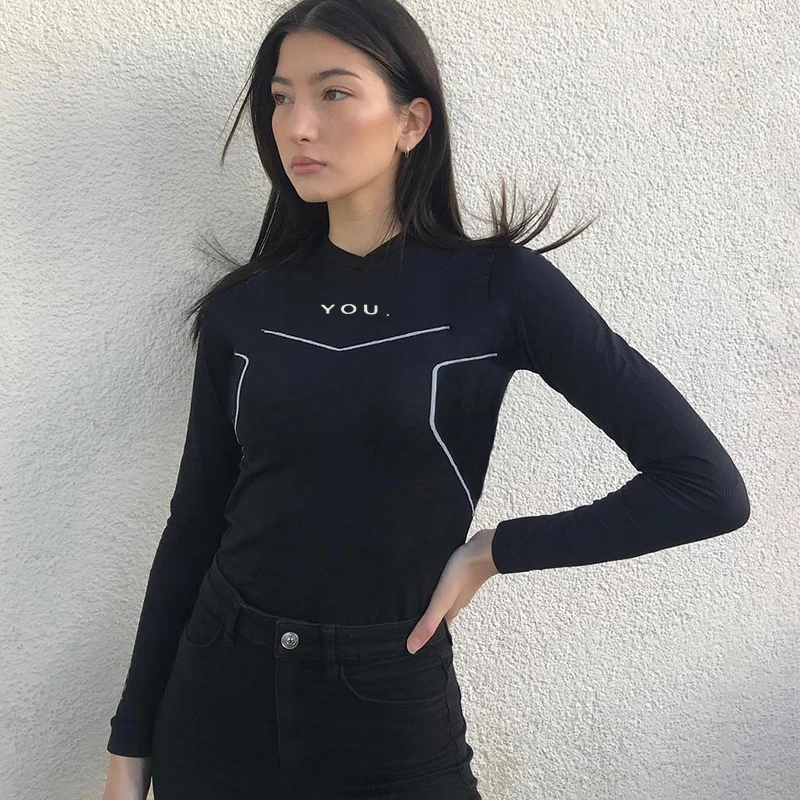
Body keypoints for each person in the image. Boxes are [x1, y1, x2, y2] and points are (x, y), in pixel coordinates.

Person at [101, 1, 750, 798]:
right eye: (280, 97)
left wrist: (494, 551)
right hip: (217, 693)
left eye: (334, 93)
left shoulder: (500, 288)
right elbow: (194, 524)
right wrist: (129, 747)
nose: (298, 125)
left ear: (411, 122)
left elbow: (704, 488)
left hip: (387, 701)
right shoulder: (244, 308)